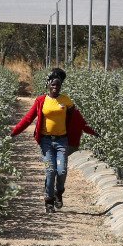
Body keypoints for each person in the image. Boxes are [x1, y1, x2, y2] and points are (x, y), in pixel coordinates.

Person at [11, 68, 98, 214]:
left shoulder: (66, 101)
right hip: (46, 142)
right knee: (50, 170)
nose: (55, 88)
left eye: (58, 85)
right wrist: (13, 132)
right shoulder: (41, 101)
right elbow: (27, 119)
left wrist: (93, 132)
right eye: (53, 85)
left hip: (62, 142)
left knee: (61, 170)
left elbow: (78, 120)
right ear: (48, 85)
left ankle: (59, 192)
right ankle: (49, 201)